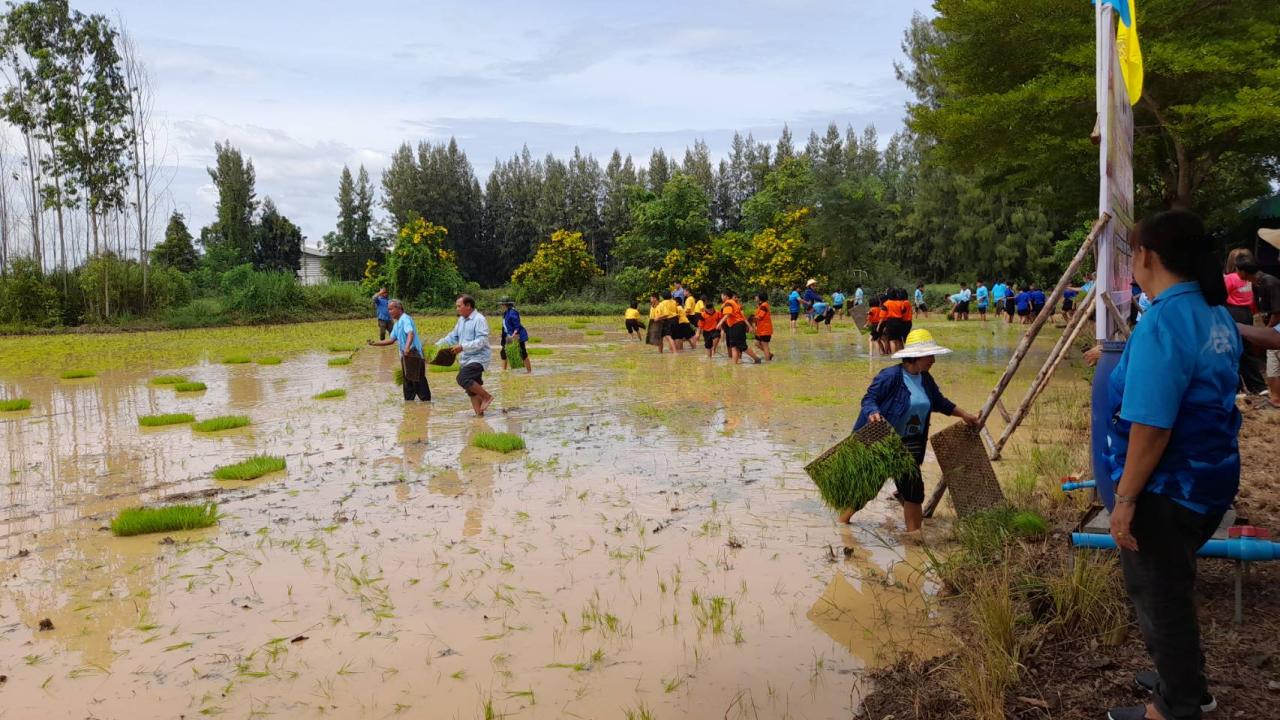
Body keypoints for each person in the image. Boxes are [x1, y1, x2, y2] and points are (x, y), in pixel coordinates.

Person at [1100, 210, 1242, 720]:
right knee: (1174, 585)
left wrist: (1125, 500)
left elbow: (1152, 426)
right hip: (1211, 477)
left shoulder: (1163, 321)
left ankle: (1178, 705)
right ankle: (1184, 679)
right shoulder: (1212, 310)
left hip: (1168, 488)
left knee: (1160, 596)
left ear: (1146, 256)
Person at [846, 329, 979, 530]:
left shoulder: (925, 379)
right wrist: (873, 411)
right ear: (915, 357)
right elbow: (869, 399)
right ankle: (843, 525)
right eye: (929, 356)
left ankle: (915, 538)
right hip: (885, 443)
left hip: (911, 445)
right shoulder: (890, 376)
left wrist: (964, 415)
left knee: (913, 492)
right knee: (867, 490)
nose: (933, 360)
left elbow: (939, 402)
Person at [1234, 253, 1280, 408]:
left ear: (1243, 271)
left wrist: (1266, 332)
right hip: (1270, 328)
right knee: (1272, 366)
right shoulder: (1256, 284)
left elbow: (1277, 312)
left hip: (1276, 329)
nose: (1236, 273)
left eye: (1237, 270)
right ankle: (1275, 399)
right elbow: (1260, 310)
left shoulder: (1270, 282)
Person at [435, 295, 493, 416]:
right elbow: (452, 337)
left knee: (462, 378)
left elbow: (482, 341)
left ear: (468, 306)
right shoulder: (461, 320)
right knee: (472, 390)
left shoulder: (479, 319)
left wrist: (462, 347)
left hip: (479, 358)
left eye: (459, 306)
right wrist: (436, 346)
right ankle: (479, 417)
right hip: (466, 358)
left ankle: (487, 397)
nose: (457, 309)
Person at [367, 298, 431, 402]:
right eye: (388, 309)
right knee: (408, 380)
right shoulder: (397, 324)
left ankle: (426, 404)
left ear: (399, 308)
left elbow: (410, 333)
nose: (389, 312)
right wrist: (375, 343)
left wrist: (407, 347)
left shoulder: (405, 319)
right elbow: (391, 340)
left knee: (418, 380)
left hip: (413, 354)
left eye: (391, 309)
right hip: (405, 356)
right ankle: (409, 404)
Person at [1225, 251, 1267, 395]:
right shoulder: (1252, 279)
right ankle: (1258, 386)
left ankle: (1237, 387)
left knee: (1233, 350)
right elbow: (1253, 299)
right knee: (1247, 350)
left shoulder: (1230, 278)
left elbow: (1222, 296)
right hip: (1248, 313)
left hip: (1233, 313)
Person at [718, 290, 760, 364]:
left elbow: (727, 314)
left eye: (722, 295)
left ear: (726, 296)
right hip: (736, 326)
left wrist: (720, 323)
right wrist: (749, 326)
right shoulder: (734, 303)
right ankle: (734, 364)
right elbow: (743, 317)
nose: (721, 297)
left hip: (736, 326)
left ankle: (756, 359)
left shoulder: (728, 303)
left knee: (742, 346)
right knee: (734, 346)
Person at [498, 299, 531, 373]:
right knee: (504, 352)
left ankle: (529, 372)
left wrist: (514, 334)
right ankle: (503, 371)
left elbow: (517, 325)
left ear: (506, 305)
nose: (501, 306)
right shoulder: (506, 312)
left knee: (523, 353)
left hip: (515, 336)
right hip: (508, 336)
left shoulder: (513, 312)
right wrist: (503, 334)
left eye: (502, 304)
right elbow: (506, 325)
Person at [750, 292, 774, 361]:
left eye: (757, 296)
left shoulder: (764, 305)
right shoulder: (760, 305)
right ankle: (769, 354)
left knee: (764, 345)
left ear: (760, 297)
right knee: (756, 343)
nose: (755, 297)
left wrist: (750, 319)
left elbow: (759, 317)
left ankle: (767, 362)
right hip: (760, 329)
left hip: (765, 329)